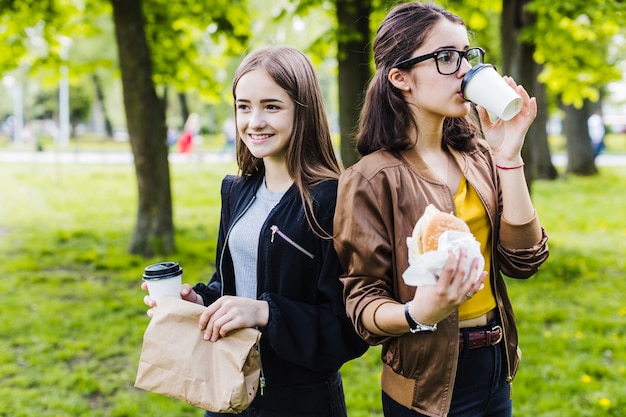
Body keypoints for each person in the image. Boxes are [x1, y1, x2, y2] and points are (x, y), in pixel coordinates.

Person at [332, 3, 549, 417]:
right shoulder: (371, 178)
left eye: (467, 55)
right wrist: (419, 312)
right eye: (446, 58)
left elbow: (523, 261)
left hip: (495, 362)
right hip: (424, 383)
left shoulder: (480, 156)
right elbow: (361, 304)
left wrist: (509, 155)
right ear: (400, 78)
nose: (465, 71)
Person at [142, 46, 367, 417]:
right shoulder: (236, 191)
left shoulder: (333, 199)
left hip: (300, 403)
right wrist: (199, 302)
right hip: (228, 388)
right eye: (244, 106)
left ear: (303, 110)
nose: (254, 121)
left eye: (271, 106)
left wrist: (265, 312)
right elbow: (228, 285)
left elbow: (348, 329)